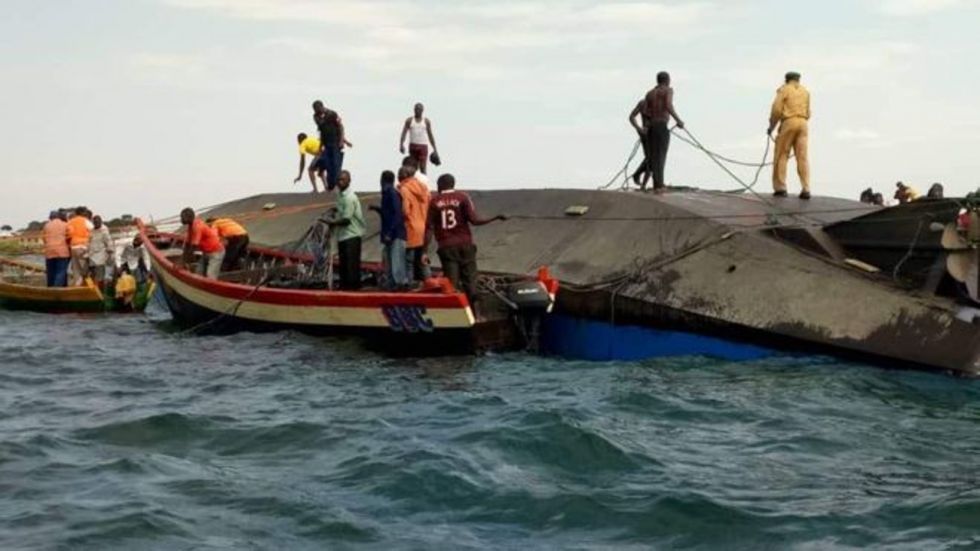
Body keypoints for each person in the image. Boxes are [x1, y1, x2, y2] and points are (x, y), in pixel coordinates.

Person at [426, 173, 506, 302]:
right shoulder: (462, 197)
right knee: (471, 280)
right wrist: (494, 218)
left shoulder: (434, 202)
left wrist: (424, 251)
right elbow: (474, 220)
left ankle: (456, 309)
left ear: (440, 185)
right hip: (465, 244)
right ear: (453, 184)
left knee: (451, 282)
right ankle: (477, 309)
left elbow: (429, 227)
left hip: (446, 246)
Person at [639, 71, 685, 194]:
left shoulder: (649, 94)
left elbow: (646, 112)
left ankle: (656, 184)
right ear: (667, 80)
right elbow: (668, 105)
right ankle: (659, 185)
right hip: (661, 125)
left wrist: (645, 127)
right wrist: (678, 120)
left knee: (654, 156)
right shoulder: (668, 90)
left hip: (651, 126)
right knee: (661, 156)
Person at [769, 71, 811, 199]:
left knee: (782, 154)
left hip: (789, 121)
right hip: (803, 123)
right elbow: (809, 112)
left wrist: (772, 127)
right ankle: (806, 188)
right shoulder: (805, 91)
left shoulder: (784, 90)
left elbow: (776, 109)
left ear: (786, 79)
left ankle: (781, 187)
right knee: (802, 157)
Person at [369, 170, 409, 290]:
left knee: (397, 261)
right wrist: (377, 209)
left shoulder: (391, 193)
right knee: (389, 260)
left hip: (395, 233)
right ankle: (392, 283)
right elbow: (388, 213)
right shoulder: (388, 194)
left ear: (382, 180)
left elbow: (397, 214)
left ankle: (401, 283)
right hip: (390, 233)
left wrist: (390, 233)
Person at [326, 170, 365, 290]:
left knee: (351, 265)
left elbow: (346, 219)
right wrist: (334, 210)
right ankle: (345, 287)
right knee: (344, 265)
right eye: (339, 180)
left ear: (349, 181)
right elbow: (340, 209)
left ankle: (352, 289)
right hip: (343, 235)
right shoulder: (340, 195)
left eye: (343, 180)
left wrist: (332, 222)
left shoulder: (349, 197)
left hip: (352, 235)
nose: (340, 182)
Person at [398, 165, 432, 283]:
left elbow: (405, 211)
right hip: (424, 228)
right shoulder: (424, 188)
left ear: (405, 175)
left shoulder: (404, 189)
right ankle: (429, 283)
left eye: (399, 174)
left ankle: (410, 285)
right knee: (423, 258)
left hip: (411, 228)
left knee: (409, 261)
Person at [312, 100, 351, 192]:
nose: (316, 111)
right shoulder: (316, 117)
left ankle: (337, 186)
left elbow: (341, 127)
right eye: (315, 110)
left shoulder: (332, 114)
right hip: (326, 144)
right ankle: (331, 186)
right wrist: (320, 146)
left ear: (321, 107)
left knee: (336, 165)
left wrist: (342, 140)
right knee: (328, 165)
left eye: (317, 109)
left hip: (335, 142)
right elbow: (321, 131)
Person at [180, 207, 225, 279]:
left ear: (189, 217)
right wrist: (182, 261)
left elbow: (194, 246)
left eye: (182, 217)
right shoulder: (190, 226)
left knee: (210, 276)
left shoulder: (197, 226)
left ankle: (211, 289)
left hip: (216, 252)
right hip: (206, 252)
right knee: (198, 273)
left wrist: (185, 261)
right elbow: (187, 245)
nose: (181, 219)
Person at [399, 103, 438, 174]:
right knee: (413, 167)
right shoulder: (409, 120)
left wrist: (435, 149)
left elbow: (430, 135)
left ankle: (424, 183)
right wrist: (401, 144)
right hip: (413, 146)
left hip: (423, 146)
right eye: (416, 109)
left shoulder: (426, 121)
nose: (417, 111)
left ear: (422, 110)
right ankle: (414, 183)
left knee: (423, 167)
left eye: (419, 109)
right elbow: (404, 133)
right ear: (414, 110)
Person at [628, 98, 652, 190]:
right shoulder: (643, 103)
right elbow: (631, 117)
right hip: (646, 133)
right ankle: (643, 184)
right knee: (651, 159)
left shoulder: (662, 102)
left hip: (656, 133)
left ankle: (639, 177)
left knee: (651, 158)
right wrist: (639, 128)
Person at [42, 210, 70, 287]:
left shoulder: (46, 226)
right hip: (62, 252)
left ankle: (50, 288)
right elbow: (69, 236)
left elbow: (44, 239)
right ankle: (57, 289)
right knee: (61, 271)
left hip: (49, 252)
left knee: (51, 272)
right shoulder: (65, 224)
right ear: (58, 217)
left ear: (50, 217)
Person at [66, 207, 91, 286]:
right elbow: (93, 231)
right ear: (83, 213)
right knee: (84, 268)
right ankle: (87, 286)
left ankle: (77, 285)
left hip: (73, 247)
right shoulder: (85, 221)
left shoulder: (70, 222)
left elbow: (68, 234)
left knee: (76, 269)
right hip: (83, 247)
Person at [87, 215, 115, 286]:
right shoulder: (91, 231)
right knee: (92, 275)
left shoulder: (104, 231)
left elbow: (109, 242)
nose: (96, 223)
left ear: (101, 222)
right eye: (95, 222)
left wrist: (110, 251)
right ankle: (94, 291)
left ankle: (101, 292)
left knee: (100, 276)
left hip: (101, 256)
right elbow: (88, 242)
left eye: (98, 221)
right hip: (92, 256)